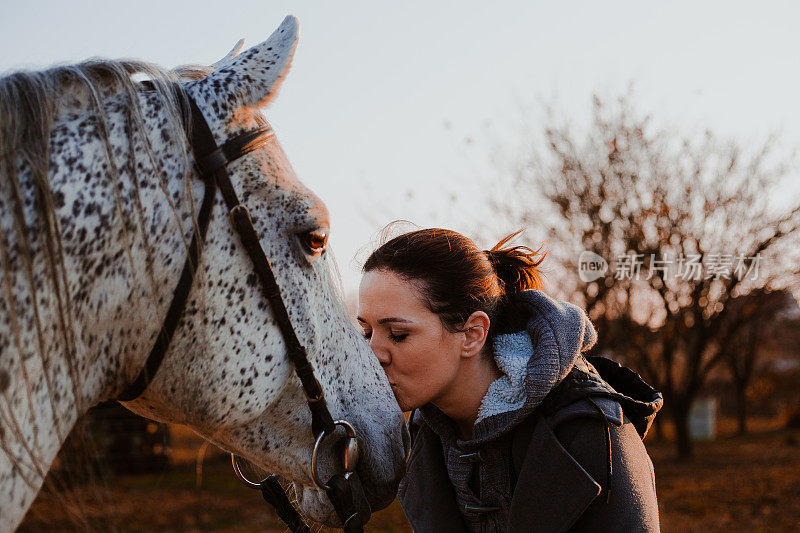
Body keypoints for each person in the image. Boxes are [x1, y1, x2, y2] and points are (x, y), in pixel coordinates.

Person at [357, 228, 663, 533]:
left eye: (398, 335)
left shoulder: (593, 431)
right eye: (367, 333)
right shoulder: (423, 432)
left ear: (472, 334)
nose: (373, 355)